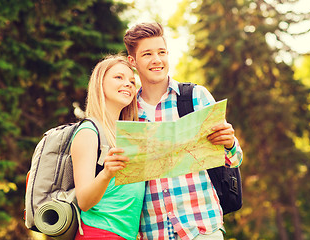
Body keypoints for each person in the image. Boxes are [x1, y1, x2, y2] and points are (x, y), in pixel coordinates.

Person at [123, 22, 243, 240]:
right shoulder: (128, 112)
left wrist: (229, 142)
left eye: (161, 52)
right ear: (133, 62)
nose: (157, 60)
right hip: (152, 232)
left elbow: (234, 160)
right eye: (147, 54)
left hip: (202, 227)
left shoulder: (195, 97)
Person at [70, 55, 145, 240]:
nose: (128, 84)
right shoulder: (89, 131)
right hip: (99, 233)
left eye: (132, 81)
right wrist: (106, 173)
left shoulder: (126, 135)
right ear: (99, 84)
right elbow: (84, 201)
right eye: (119, 77)